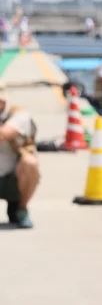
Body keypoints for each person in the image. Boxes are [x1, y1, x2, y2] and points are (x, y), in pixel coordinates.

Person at [0, 85, 39, 228]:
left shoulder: (19, 115)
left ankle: (21, 209)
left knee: (30, 163)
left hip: (13, 178)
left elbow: (3, 134)